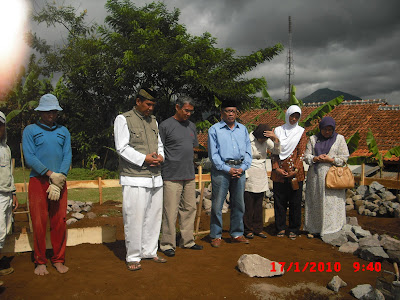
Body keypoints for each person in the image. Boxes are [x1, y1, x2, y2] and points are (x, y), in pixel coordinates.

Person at [114, 88, 166, 271]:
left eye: (153, 105)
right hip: (134, 177)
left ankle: (150, 251)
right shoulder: (123, 119)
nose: (150, 108)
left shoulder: (153, 121)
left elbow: (159, 143)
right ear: (138, 101)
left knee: (153, 217)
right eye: (148, 104)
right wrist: (144, 158)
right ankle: (133, 256)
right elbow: (121, 147)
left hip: (155, 177)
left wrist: (161, 157)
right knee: (134, 218)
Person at [22, 94, 72, 275]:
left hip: (60, 181)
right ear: (40, 112)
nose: (51, 114)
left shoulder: (63, 131)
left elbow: (67, 155)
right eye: (47, 111)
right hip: (38, 181)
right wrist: (50, 175)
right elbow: (30, 157)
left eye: (54, 111)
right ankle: (40, 261)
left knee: (59, 221)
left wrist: (59, 180)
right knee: (39, 222)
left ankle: (58, 259)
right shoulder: (30, 130)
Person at [159, 95, 203, 257]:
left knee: (189, 209)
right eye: (186, 110)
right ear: (177, 107)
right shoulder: (166, 125)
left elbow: (193, 148)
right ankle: (167, 244)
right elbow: (159, 148)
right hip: (171, 175)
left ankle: (187, 240)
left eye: (191, 111)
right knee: (170, 211)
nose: (189, 114)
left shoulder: (191, 126)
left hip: (189, 175)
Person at [208, 100, 252, 248]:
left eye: (233, 111)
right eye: (227, 111)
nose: (231, 114)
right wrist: (228, 169)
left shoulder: (243, 129)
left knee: (239, 204)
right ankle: (216, 235)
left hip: (240, 169)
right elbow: (213, 155)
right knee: (217, 205)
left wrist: (243, 167)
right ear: (222, 113)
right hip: (222, 171)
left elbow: (248, 151)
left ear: (236, 113)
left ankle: (237, 233)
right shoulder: (214, 130)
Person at [304, 116, 349, 237]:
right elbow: (306, 156)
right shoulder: (313, 139)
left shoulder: (339, 139)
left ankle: (332, 227)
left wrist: (331, 159)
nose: (327, 132)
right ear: (320, 128)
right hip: (316, 176)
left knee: (331, 201)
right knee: (316, 200)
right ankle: (315, 227)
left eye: (330, 129)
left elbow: (344, 158)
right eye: (325, 129)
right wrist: (314, 158)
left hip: (333, 176)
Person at [271, 105, 307, 240]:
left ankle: (293, 228)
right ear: (287, 115)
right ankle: (280, 227)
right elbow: (274, 151)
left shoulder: (301, 132)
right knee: (279, 201)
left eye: (296, 117)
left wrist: (295, 170)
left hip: (295, 174)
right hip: (278, 173)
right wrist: (276, 168)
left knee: (295, 202)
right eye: (292, 116)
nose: (293, 119)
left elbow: (301, 152)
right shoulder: (278, 131)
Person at [244, 124, 280, 239]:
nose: (263, 141)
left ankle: (258, 229)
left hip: (261, 173)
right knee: (249, 204)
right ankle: (248, 229)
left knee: (259, 203)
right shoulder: (248, 140)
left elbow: (277, 151)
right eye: (262, 139)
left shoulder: (266, 141)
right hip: (250, 171)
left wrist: (275, 139)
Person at [0, 111, 19, 285]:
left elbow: (9, 174)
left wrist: (13, 192)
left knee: (4, 231)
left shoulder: (6, 149)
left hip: (6, 194)